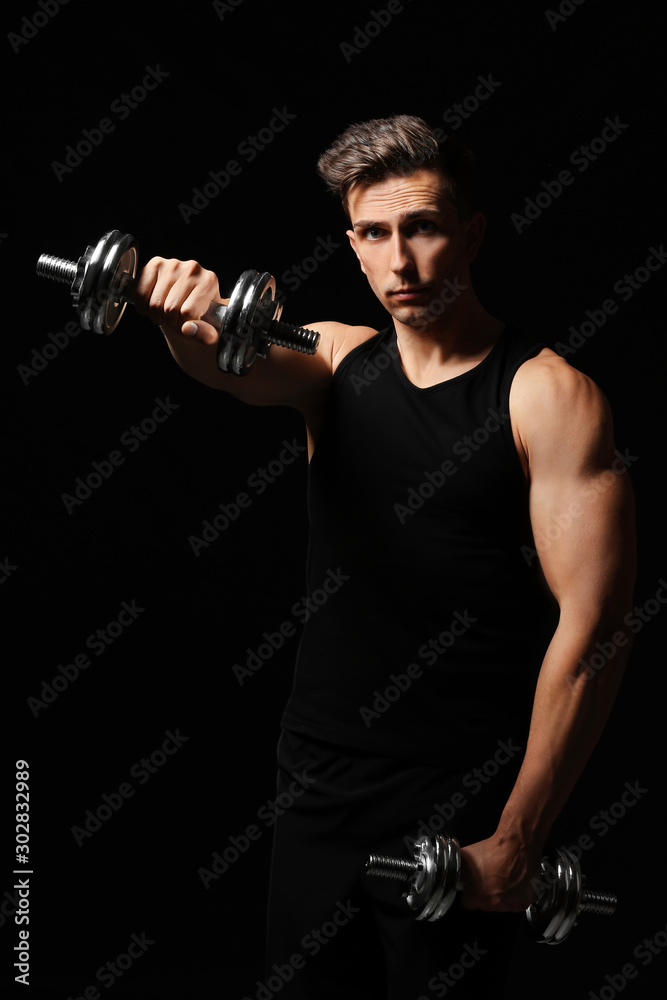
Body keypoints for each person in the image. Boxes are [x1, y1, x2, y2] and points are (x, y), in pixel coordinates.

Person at [135, 115, 636, 997]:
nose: (398, 263)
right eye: (374, 233)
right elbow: (227, 364)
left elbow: (593, 628)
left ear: (471, 233)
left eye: (423, 228)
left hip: (459, 787)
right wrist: (179, 320)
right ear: (352, 245)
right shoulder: (332, 356)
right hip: (318, 778)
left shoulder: (547, 395)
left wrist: (518, 837)